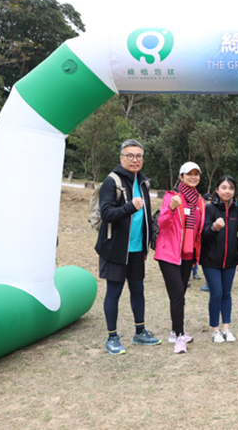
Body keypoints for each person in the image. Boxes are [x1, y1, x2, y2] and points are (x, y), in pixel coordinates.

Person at [95, 139, 160, 355]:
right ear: (121, 158)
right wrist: (130, 206)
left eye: (139, 156)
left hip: (136, 250)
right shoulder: (111, 182)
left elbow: (145, 218)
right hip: (115, 249)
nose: (135, 160)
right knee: (114, 292)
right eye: (130, 156)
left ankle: (140, 332)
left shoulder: (143, 183)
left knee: (138, 290)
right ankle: (112, 337)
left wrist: (145, 246)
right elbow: (106, 214)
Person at [155, 161, 205, 354]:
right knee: (177, 295)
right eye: (189, 174)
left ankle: (174, 332)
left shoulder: (200, 202)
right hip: (169, 253)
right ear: (181, 177)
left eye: (196, 174)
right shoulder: (171, 197)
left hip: (187, 254)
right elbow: (162, 224)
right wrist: (171, 208)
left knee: (180, 294)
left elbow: (198, 230)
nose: (193, 177)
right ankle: (179, 337)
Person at [202, 176, 238, 343]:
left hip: (230, 261)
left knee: (227, 294)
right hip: (211, 260)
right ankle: (215, 330)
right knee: (216, 294)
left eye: (231, 188)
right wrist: (215, 227)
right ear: (217, 190)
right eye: (224, 187)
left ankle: (226, 329)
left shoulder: (237, 211)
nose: (227, 191)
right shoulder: (209, 208)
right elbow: (204, 234)